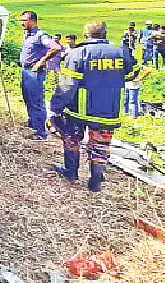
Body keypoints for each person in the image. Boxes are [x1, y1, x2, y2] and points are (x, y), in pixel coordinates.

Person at [49, 20, 134, 192]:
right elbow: (133, 74)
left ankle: (71, 172)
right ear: (105, 33)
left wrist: (56, 107)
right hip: (108, 109)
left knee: (72, 139)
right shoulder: (121, 53)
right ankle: (95, 181)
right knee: (100, 145)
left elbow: (67, 85)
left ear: (86, 34)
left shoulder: (78, 54)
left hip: (79, 110)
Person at [19, 11, 61, 141]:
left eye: (25, 20)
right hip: (25, 70)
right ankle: (33, 124)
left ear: (33, 21)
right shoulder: (27, 34)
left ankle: (40, 132)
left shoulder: (40, 35)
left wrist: (42, 61)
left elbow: (56, 47)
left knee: (36, 101)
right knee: (28, 98)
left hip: (34, 71)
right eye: (22, 20)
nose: (22, 23)